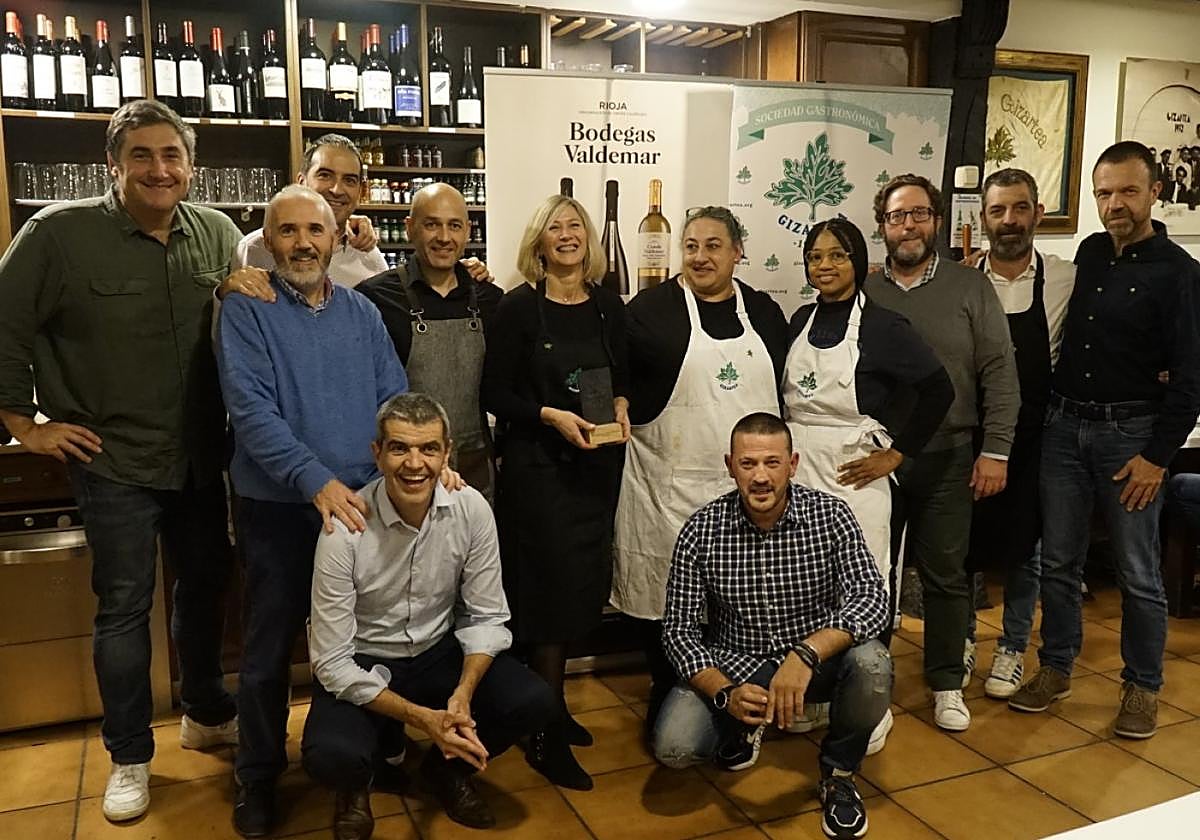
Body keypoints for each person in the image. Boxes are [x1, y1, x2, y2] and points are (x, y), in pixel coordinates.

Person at [0, 100, 240, 823]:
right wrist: (23, 424)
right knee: (125, 611)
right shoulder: (57, 234)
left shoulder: (220, 235)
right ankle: (130, 756)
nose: (159, 169)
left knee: (204, 592)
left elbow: (277, 288)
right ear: (115, 163)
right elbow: (5, 324)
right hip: (114, 461)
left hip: (203, 458)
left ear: (191, 165)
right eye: (142, 155)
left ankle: (203, 711)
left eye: (172, 155)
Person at [215, 185, 410, 837]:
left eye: (315, 231)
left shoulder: (361, 313)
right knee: (267, 651)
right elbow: (251, 414)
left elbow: (393, 399)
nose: (304, 243)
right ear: (267, 242)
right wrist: (316, 481)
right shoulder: (247, 309)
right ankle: (258, 776)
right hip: (276, 509)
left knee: (351, 646)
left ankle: (347, 775)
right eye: (289, 231)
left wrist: (406, 465)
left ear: (336, 238)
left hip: (357, 507)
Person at [1008, 141, 1200, 740]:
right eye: (1104, 192)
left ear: (1154, 192)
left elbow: (1191, 376)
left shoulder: (1182, 275)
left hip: (1131, 438)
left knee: (1139, 572)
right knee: (1059, 562)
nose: (1114, 204)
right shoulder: (1089, 254)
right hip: (1065, 428)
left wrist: (1157, 458)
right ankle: (1056, 668)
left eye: (1127, 191)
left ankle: (1142, 687)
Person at [302, 393, 554, 836]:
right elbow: (331, 662)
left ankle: (445, 771)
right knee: (329, 754)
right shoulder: (344, 531)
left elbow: (487, 617)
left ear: (447, 453)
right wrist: (424, 719)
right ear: (377, 454)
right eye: (399, 448)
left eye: (428, 449)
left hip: (438, 652)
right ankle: (356, 786)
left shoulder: (471, 509)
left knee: (532, 701)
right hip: (365, 659)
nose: (414, 463)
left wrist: (461, 694)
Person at [656, 412, 892, 840]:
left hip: (813, 665)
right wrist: (723, 693)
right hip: (737, 667)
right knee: (675, 747)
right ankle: (746, 721)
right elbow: (678, 632)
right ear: (730, 466)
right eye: (748, 464)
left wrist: (806, 653)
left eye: (772, 463)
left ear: (793, 463)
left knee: (873, 662)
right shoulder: (701, 530)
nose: (760, 476)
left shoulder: (830, 516)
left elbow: (873, 599)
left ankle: (839, 775)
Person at [613, 206, 788, 736]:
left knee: (743, 597)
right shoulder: (650, 309)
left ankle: (741, 696)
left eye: (714, 245)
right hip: (669, 488)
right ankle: (670, 689)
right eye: (690, 245)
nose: (700, 256)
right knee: (668, 600)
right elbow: (614, 368)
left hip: (748, 489)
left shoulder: (763, 311)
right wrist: (616, 399)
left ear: (738, 252)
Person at [782, 218, 952, 744]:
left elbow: (938, 390)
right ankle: (818, 696)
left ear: (859, 261)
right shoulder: (799, 320)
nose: (825, 265)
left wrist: (896, 454)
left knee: (865, 587)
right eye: (815, 256)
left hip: (856, 475)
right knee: (805, 585)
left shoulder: (884, 327)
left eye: (837, 255)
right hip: (801, 469)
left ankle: (871, 707)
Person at [481, 194, 629, 791]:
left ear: (586, 238)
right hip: (538, 471)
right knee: (544, 597)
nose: (566, 236)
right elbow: (494, 395)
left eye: (575, 227)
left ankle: (555, 709)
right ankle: (541, 733)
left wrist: (620, 404)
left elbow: (619, 380)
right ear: (538, 243)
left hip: (593, 470)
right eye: (554, 228)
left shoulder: (606, 305)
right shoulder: (518, 308)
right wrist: (548, 414)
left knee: (578, 592)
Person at [863, 174, 1019, 732]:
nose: (909, 226)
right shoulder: (863, 290)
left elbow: (1000, 370)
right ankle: (869, 688)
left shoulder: (969, 287)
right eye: (897, 216)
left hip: (950, 454)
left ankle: (947, 682)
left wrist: (996, 449)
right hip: (875, 460)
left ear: (937, 222)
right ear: (881, 225)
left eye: (920, 214)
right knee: (871, 575)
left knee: (946, 575)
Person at [962, 168, 1076, 699]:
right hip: (971, 433)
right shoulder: (962, 280)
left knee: (1026, 548)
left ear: (1037, 213)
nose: (1009, 221)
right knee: (961, 545)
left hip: (1037, 435)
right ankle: (960, 640)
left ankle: (1011, 649)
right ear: (983, 218)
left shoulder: (1066, 278)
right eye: (998, 210)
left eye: (1020, 208)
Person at [358, 183, 502, 500]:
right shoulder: (375, 297)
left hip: (474, 465)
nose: (444, 237)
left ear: (467, 232)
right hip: (406, 468)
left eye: (454, 226)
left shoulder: (491, 299)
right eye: (431, 224)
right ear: (410, 229)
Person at [230, 133, 385, 287]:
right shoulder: (254, 249)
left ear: (360, 191)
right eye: (325, 175)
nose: (337, 190)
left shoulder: (369, 256)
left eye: (349, 180)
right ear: (301, 182)